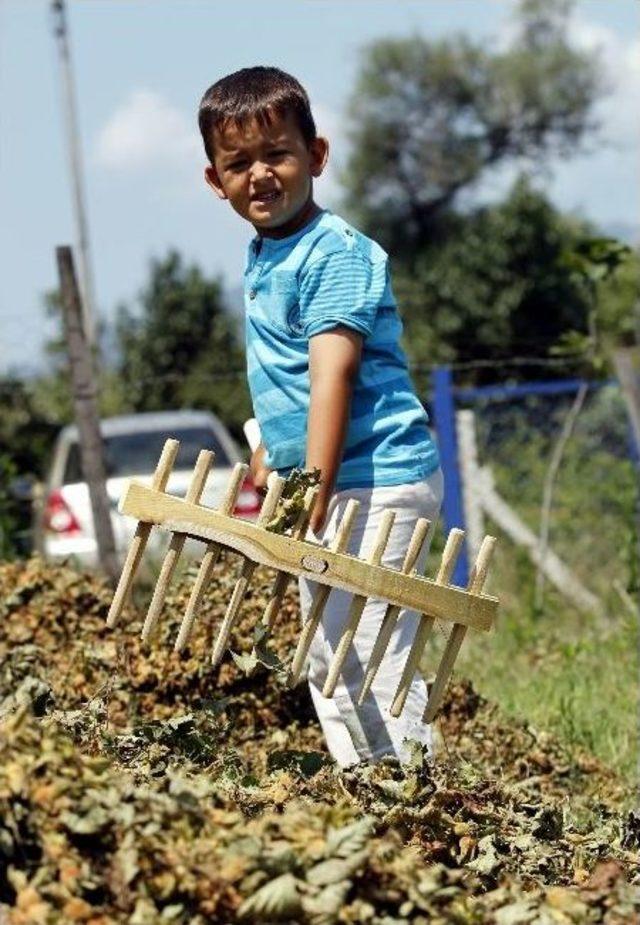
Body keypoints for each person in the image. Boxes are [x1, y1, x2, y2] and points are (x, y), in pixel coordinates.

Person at [198, 66, 443, 767]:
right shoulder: (267, 252)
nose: (260, 175)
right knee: (329, 656)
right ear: (216, 181)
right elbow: (282, 370)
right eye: (238, 163)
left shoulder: (334, 253)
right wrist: (266, 444)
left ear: (317, 156)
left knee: (371, 651)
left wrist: (312, 484)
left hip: (373, 479)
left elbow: (332, 372)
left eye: (277, 153)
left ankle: (411, 793)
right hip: (328, 482)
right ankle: (366, 793)